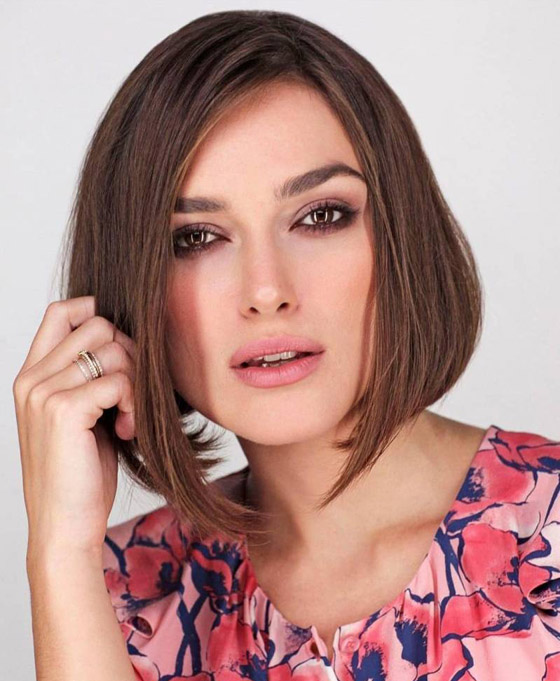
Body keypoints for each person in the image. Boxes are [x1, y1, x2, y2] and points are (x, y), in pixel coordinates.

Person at [12, 9, 559, 681]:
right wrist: (59, 547)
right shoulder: (119, 595)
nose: (266, 290)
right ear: (136, 285)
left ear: (401, 237)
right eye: (196, 238)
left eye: (320, 216)